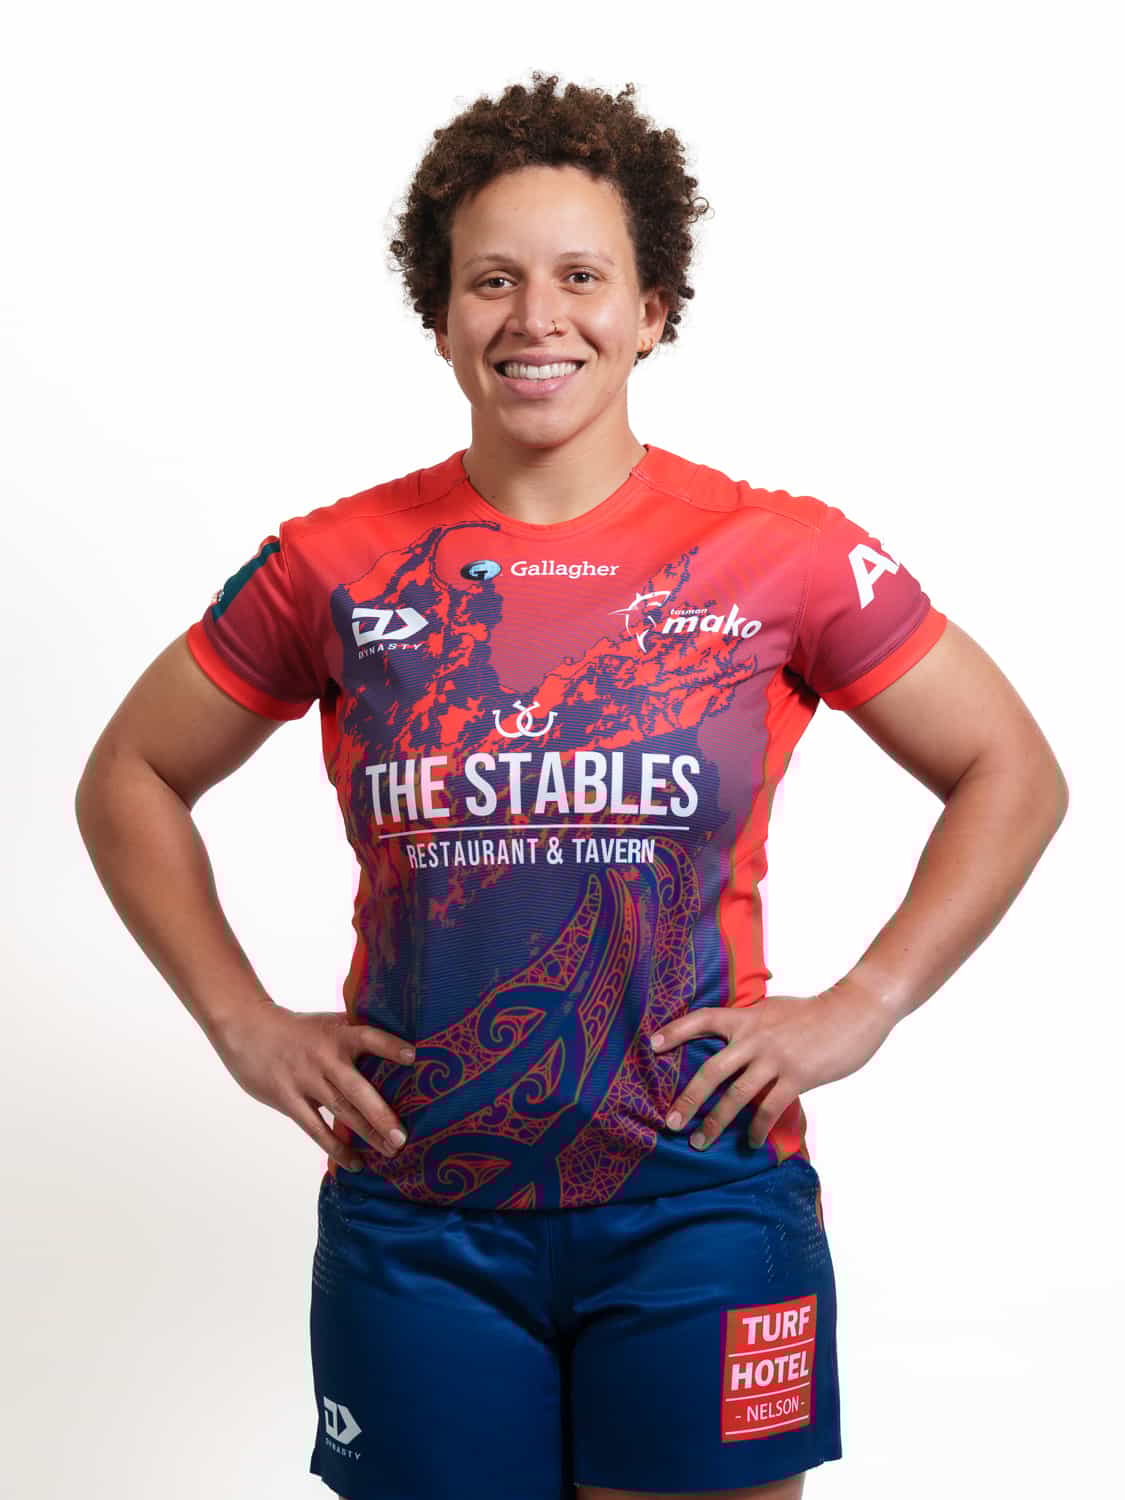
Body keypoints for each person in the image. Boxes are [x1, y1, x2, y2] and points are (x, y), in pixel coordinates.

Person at [75, 70, 1068, 1500]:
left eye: (582, 277)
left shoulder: (781, 552)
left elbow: (1010, 769)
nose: (537, 317)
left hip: (701, 1200)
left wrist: (869, 1001)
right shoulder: (333, 563)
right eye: (493, 280)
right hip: (418, 1219)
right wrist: (239, 1022)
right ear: (439, 316)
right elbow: (131, 775)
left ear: (653, 310)